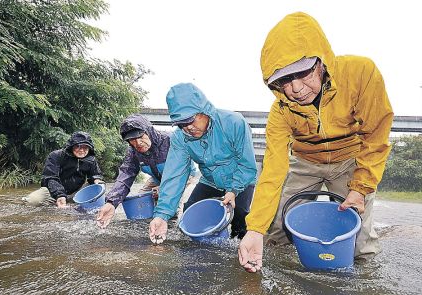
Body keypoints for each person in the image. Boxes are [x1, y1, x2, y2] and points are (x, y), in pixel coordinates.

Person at [238, 12, 394, 272]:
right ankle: (287, 275)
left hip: (350, 161)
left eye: (304, 73)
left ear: (322, 62)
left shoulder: (360, 73)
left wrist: (360, 187)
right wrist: (255, 230)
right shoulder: (280, 112)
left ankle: (366, 280)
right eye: (285, 81)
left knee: (360, 241)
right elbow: (272, 172)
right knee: (276, 227)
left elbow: (376, 136)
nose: (297, 89)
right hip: (305, 162)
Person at [149, 83, 258, 244]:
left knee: (240, 216)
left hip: (240, 179)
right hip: (210, 180)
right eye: (181, 124)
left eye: (191, 120)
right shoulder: (180, 138)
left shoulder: (234, 123)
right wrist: (161, 215)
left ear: (204, 110)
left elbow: (247, 165)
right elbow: (174, 176)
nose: (188, 128)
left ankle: (240, 253)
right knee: (190, 209)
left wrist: (233, 190)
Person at [96, 114, 197, 229]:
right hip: (157, 178)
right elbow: (126, 175)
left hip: (184, 177)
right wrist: (111, 202)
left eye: (141, 136)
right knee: (140, 201)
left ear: (149, 132)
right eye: (132, 139)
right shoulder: (133, 152)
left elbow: (182, 172)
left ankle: (169, 228)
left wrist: (164, 189)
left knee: (169, 207)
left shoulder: (170, 141)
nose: (138, 143)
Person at [23, 131, 105, 208]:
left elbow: (95, 175)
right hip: (53, 191)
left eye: (85, 147)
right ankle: (59, 200)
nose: (82, 150)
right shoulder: (56, 156)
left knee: (98, 186)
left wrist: (98, 181)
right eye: (78, 146)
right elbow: (50, 178)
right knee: (32, 201)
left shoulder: (91, 159)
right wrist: (60, 195)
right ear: (71, 146)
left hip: (76, 192)